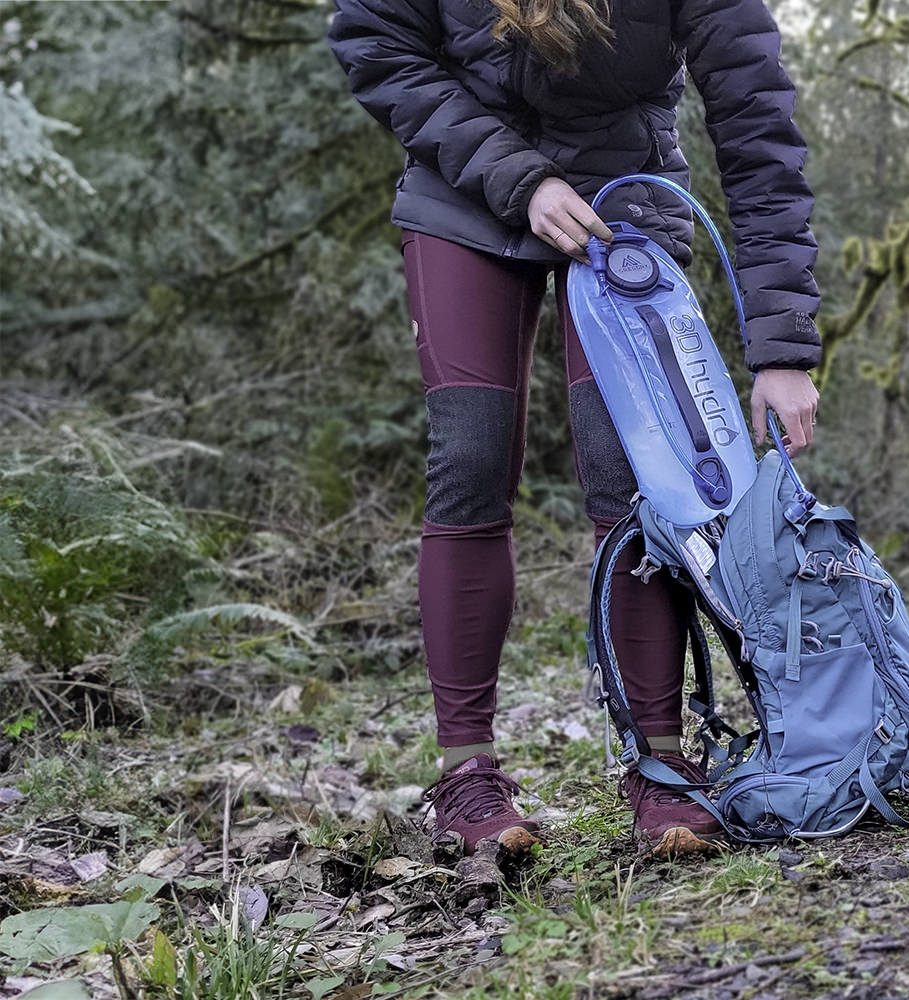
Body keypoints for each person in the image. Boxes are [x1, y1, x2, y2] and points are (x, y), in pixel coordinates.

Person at [326, 0, 822, 858]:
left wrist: (781, 349)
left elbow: (756, 126)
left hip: (626, 197)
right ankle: (467, 769)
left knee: (633, 478)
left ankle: (659, 763)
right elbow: (379, 42)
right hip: (464, 190)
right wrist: (522, 178)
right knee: (472, 455)